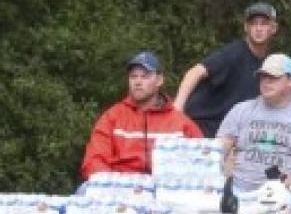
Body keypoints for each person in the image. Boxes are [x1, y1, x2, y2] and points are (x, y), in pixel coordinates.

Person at [217, 53, 291, 193]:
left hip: (286, 197)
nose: (266, 82)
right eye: (263, 76)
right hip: (239, 195)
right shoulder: (240, 110)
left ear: (290, 80)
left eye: (273, 77)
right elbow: (218, 149)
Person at [80, 51, 203, 180]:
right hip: (118, 189)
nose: (138, 82)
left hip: (165, 191)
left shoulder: (181, 123)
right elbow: (94, 160)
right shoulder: (112, 118)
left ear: (159, 80)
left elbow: (201, 161)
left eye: (145, 76)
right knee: (83, 191)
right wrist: (111, 185)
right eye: (133, 77)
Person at [174, 1, 280, 138]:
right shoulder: (233, 53)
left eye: (264, 23)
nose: (258, 28)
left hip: (231, 133)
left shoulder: (267, 64)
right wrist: (177, 108)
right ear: (246, 28)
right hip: (202, 127)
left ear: (274, 28)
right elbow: (195, 72)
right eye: (253, 23)